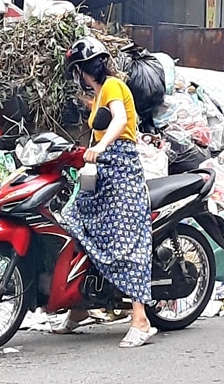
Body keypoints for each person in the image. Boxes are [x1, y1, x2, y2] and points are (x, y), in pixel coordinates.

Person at [54, 36, 156, 348]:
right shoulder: (97, 97)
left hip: (121, 168)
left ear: (86, 70)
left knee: (127, 240)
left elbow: (122, 120)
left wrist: (100, 146)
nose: (82, 75)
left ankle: (140, 317)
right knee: (74, 221)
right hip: (101, 168)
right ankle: (80, 305)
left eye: (82, 69)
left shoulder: (112, 86)